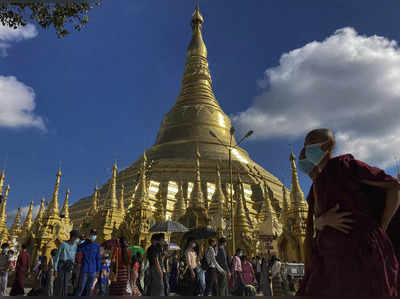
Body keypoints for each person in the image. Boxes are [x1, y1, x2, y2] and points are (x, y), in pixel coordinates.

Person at [296, 128, 400, 296]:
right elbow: (316, 220)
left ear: (328, 146)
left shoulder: (345, 165)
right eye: (306, 144)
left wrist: (381, 227)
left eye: (311, 143)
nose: (307, 149)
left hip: (360, 254)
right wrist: (322, 221)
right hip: (328, 260)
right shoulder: (317, 183)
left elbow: (393, 186)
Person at [75, 229, 101, 296]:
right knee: (80, 287)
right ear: (90, 235)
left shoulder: (97, 246)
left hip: (93, 270)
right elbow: (77, 251)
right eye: (92, 234)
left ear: (96, 236)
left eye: (95, 235)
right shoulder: (84, 245)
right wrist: (82, 241)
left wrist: (98, 270)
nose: (93, 236)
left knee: (89, 288)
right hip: (84, 269)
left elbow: (98, 259)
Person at [54, 229, 80, 296]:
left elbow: (73, 258)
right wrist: (55, 269)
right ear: (72, 237)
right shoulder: (63, 244)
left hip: (69, 266)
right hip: (61, 265)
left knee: (66, 284)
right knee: (60, 283)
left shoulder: (75, 246)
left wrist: (72, 269)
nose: (76, 239)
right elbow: (57, 257)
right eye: (76, 237)